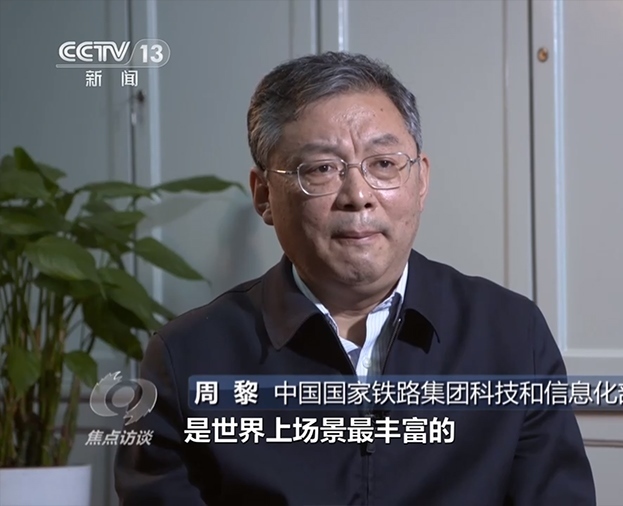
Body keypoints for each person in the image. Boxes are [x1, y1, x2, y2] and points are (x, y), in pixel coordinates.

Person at [114, 51, 596, 506]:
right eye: (321, 169)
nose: (358, 195)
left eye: (384, 164)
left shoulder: (511, 336)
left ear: (421, 181)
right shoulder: (188, 357)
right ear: (263, 195)